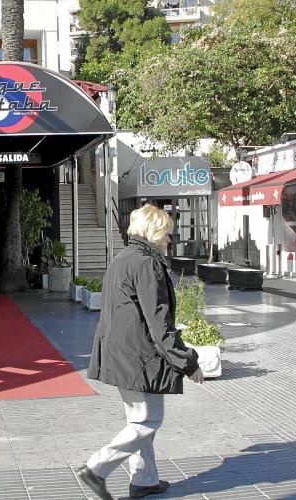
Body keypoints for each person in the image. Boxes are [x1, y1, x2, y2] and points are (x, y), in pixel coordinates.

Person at [76, 204, 204, 500]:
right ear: (154, 232)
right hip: (139, 357)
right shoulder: (147, 264)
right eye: (168, 234)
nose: (171, 240)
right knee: (147, 422)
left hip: (122, 354)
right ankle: (96, 469)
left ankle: (145, 479)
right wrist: (188, 363)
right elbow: (159, 323)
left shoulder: (124, 257)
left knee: (139, 421)